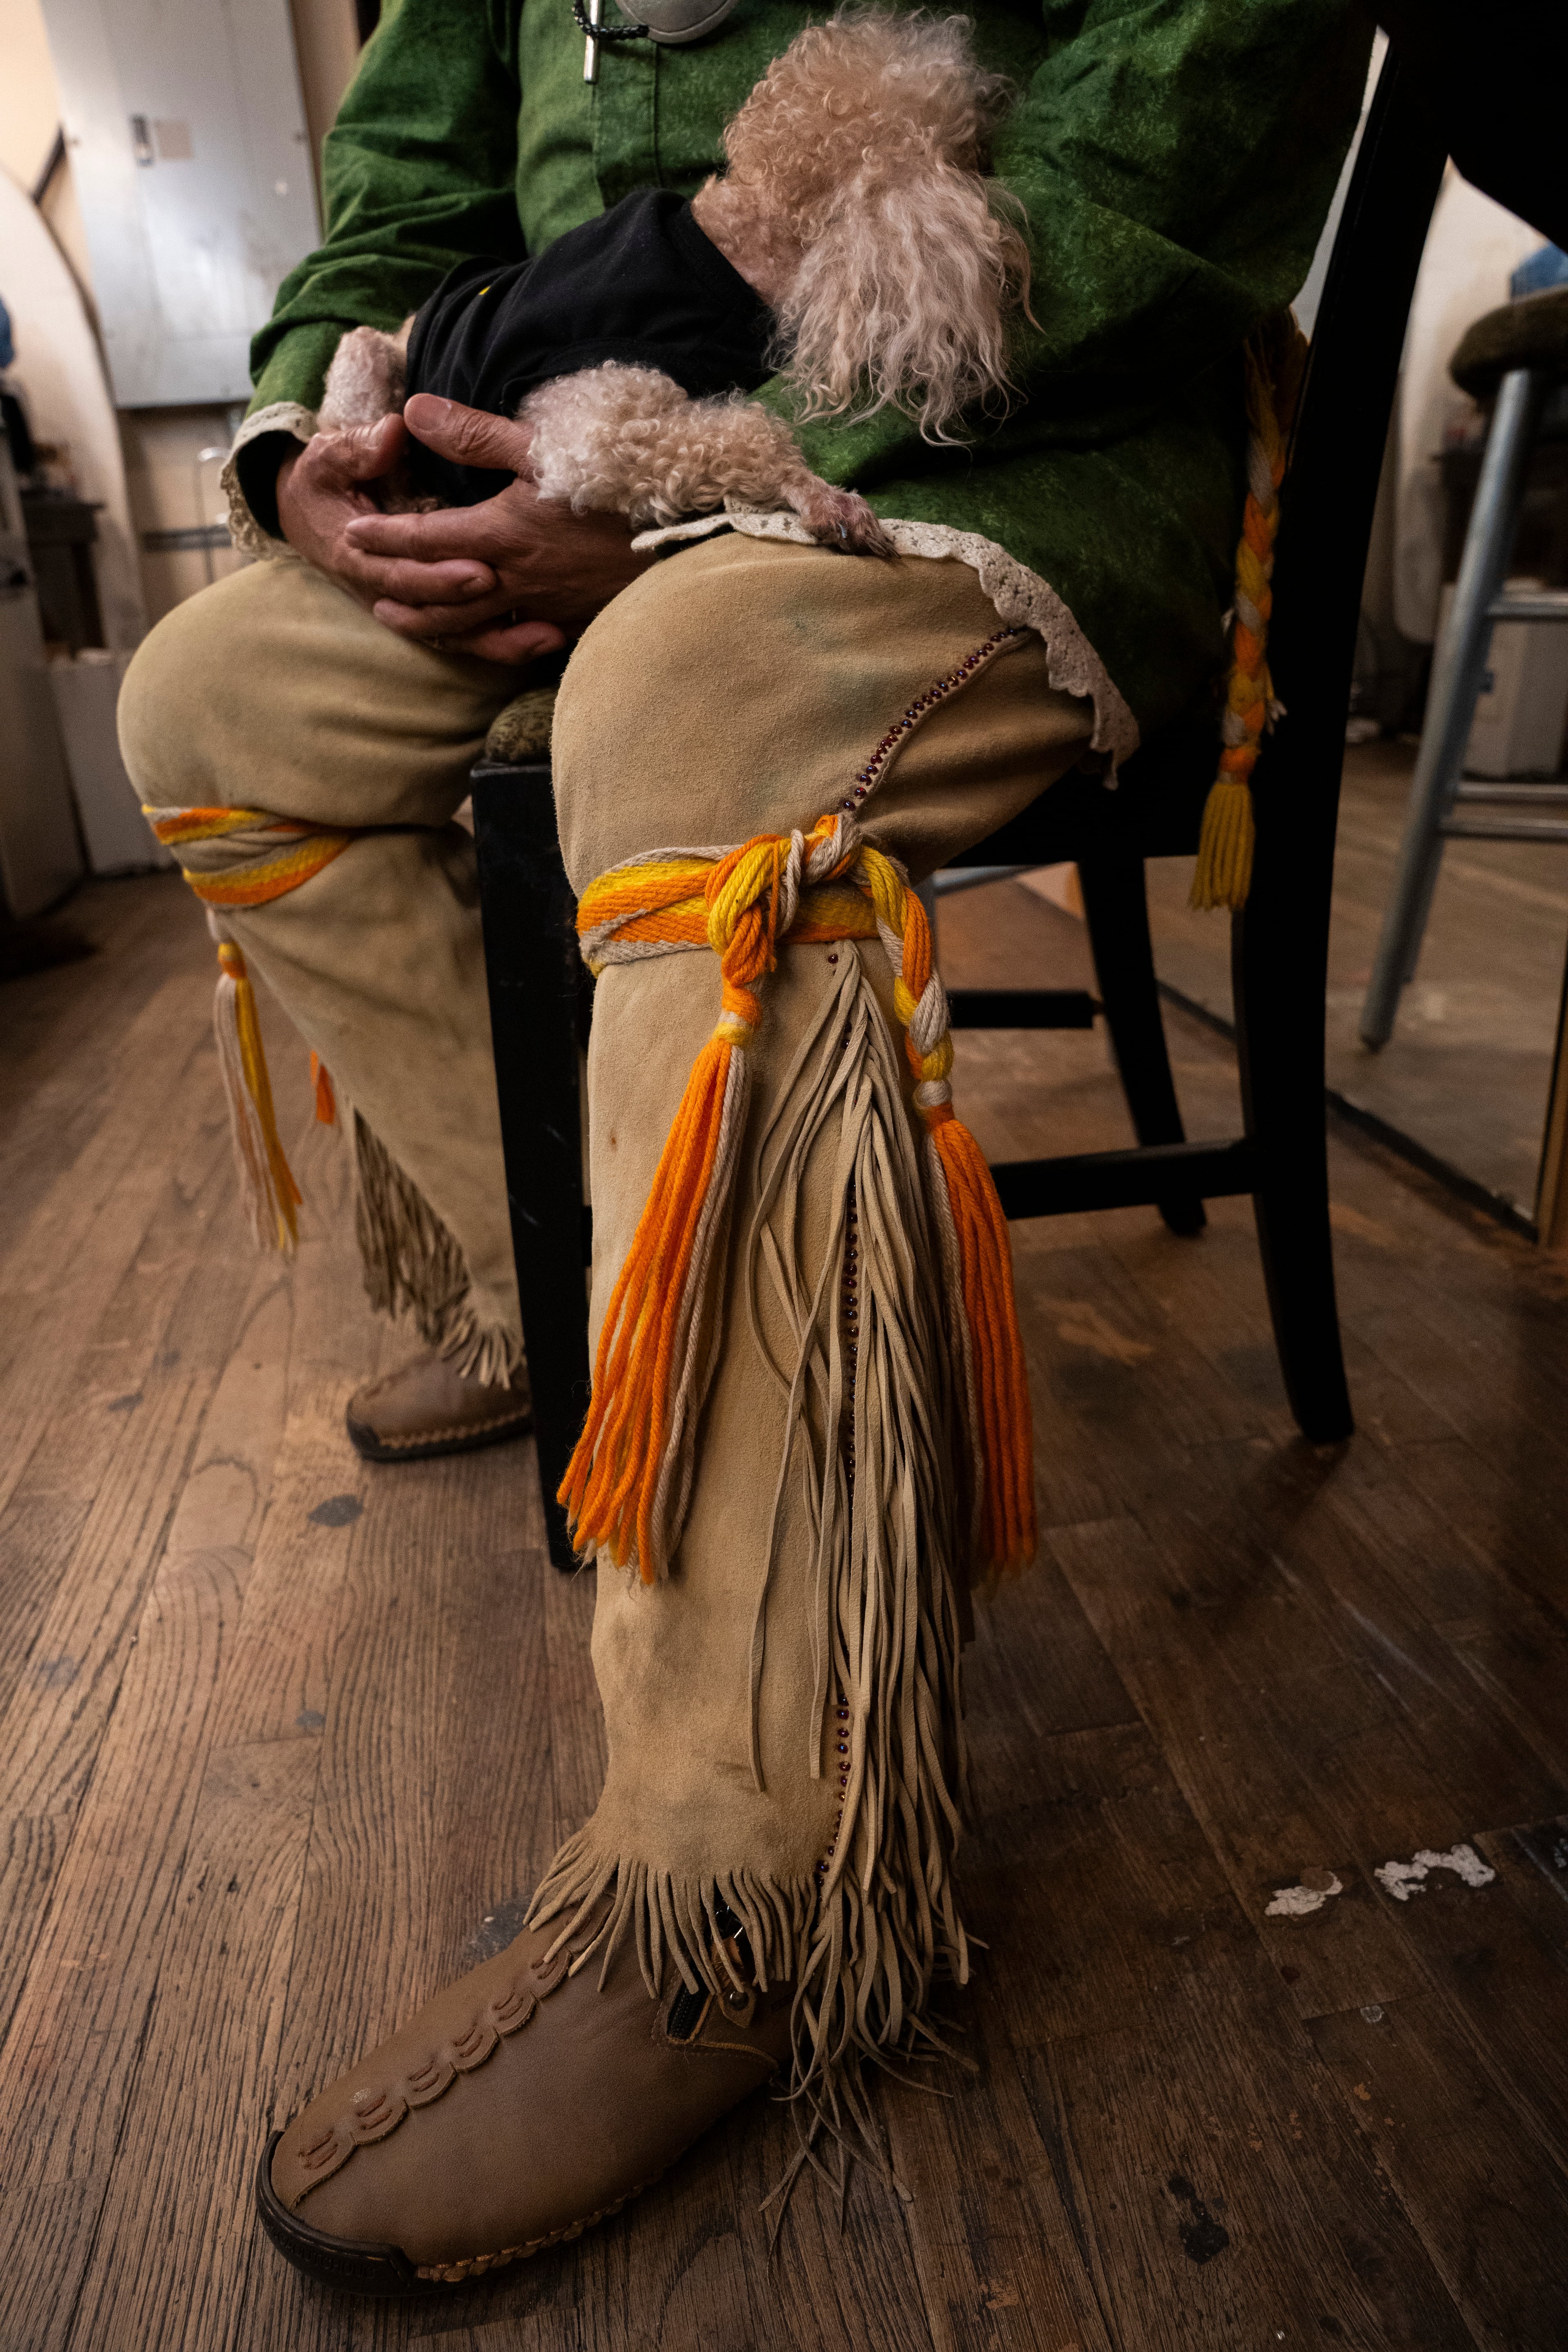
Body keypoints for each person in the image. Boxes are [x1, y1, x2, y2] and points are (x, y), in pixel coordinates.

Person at [119, 0, 1372, 2290]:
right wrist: (328, 437)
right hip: (539, 470)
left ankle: (753, 1871)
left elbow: (1191, 109)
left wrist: (721, 456)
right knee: (211, 697)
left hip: (980, 450)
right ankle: (558, 1291)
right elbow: (394, 204)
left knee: (687, 705)